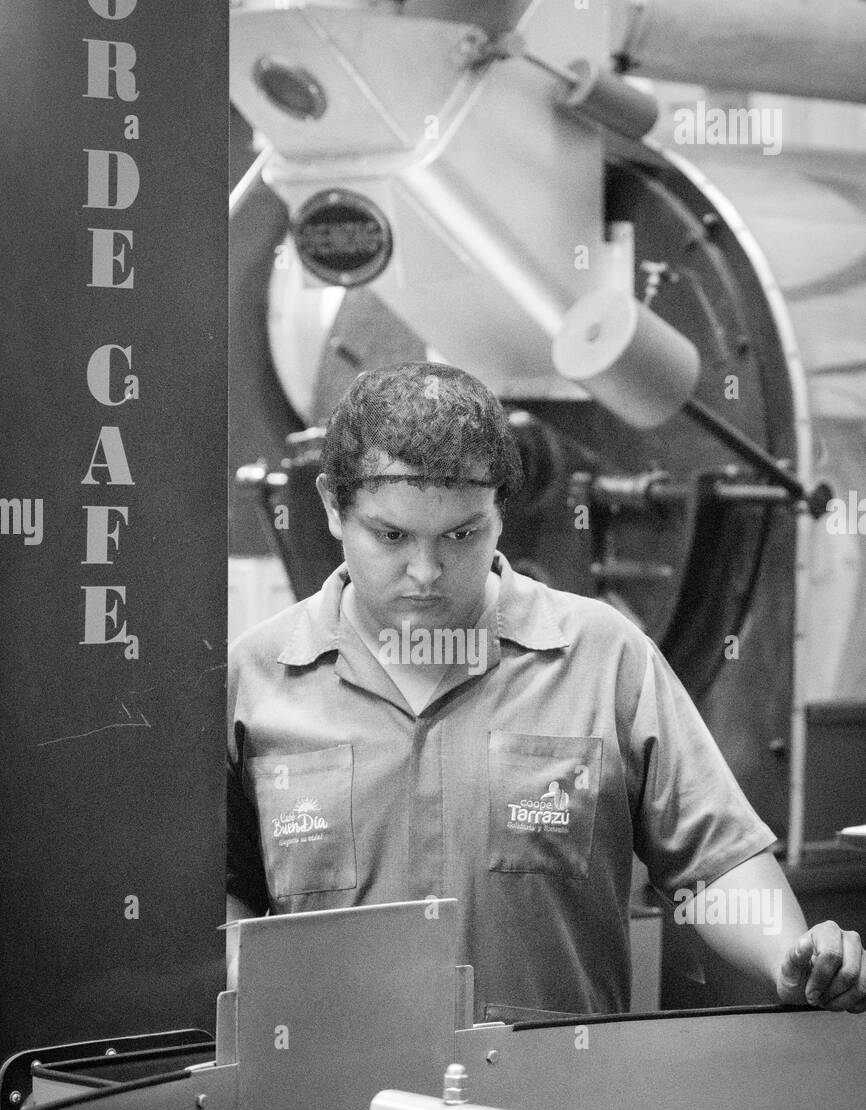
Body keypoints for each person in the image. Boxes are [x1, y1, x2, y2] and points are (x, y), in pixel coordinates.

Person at [226, 362, 866, 1019]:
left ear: (500, 506)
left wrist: (791, 954)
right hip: (328, 1103)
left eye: (460, 535)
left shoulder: (601, 660)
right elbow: (226, 889)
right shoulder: (257, 679)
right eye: (391, 536)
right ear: (334, 506)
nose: (425, 571)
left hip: (553, 1105)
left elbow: (714, 862)